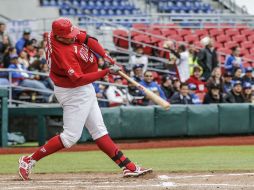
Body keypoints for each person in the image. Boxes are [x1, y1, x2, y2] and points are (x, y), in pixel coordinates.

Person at [18, 18, 152, 181]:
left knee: (99, 131)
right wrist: (106, 71)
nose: (73, 37)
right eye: (69, 36)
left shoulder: (56, 34)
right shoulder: (63, 53)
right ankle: (28, 160)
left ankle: (128, 167)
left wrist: (105, 56)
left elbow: (88, 40)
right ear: (59, 37)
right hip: (72, 91)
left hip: (82, 89)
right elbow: (78, 79)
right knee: (70, 137)